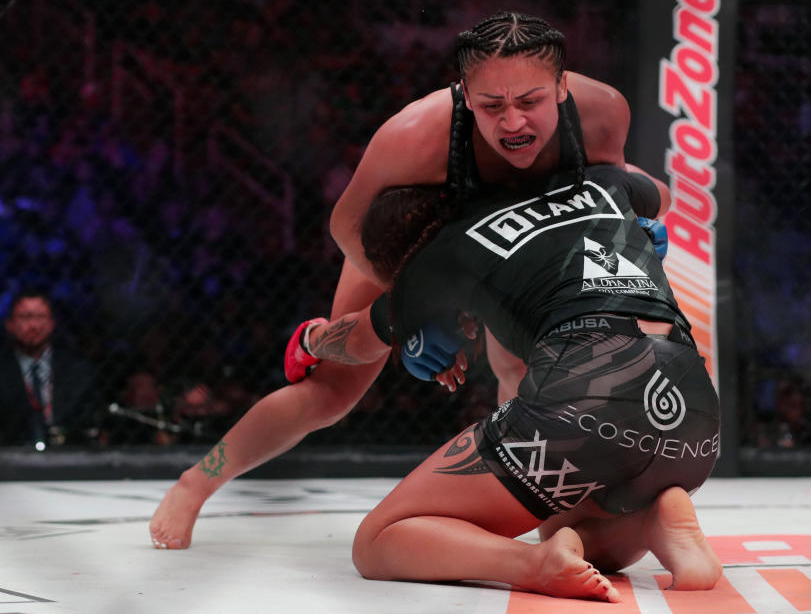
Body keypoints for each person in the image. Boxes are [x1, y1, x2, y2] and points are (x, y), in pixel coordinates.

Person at [149, 10, 659, 550]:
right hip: (423, 239)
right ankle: (195, 483)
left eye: (529, 102)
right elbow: (346, 228)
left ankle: (531, 490)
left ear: (560, 87)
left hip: (530, 230)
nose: (512, 123)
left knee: (524, 355)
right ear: (464, 92)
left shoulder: (602, 111)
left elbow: (610, 191)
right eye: (491, 105)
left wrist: (630, 237)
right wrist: (420, 305)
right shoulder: (415, 134)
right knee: (330, 390)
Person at [299, 163, 721, 601]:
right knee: (564, 529)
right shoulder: (594, 179)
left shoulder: (445, 249)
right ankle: (651, 522)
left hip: (588, 398)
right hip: (694, 414)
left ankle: (532, 566)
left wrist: (309, 341)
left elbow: (358, 341)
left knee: (379, 540)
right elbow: (661, 195)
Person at [0, 288, 98, 447]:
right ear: (9, 324)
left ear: (52, 323)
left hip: (70, 454)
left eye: (40, 317)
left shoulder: (78, 370)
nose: (33, 326)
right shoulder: (3, 370)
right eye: (25, 317)